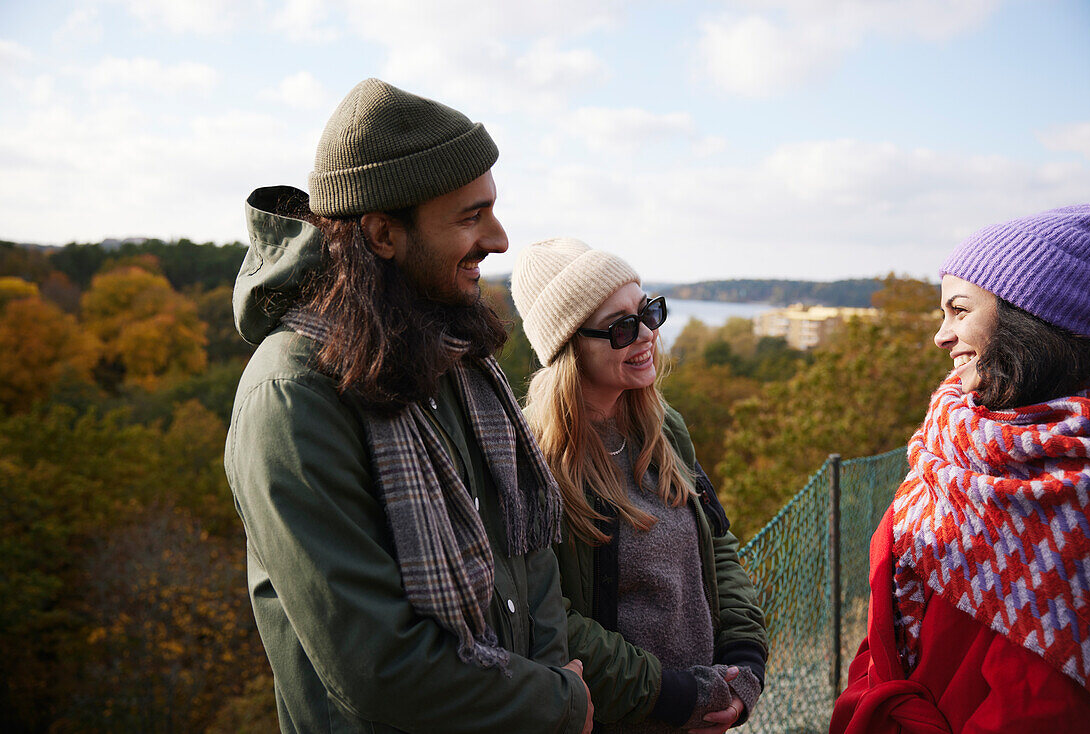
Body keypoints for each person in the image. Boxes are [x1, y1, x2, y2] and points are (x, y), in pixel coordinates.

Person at [224, 79, 593, 734]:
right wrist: (556, 704)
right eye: (470, 217)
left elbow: (528, 556)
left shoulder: (453, 353)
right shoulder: (292, 397)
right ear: (383, 234)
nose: (501, 239)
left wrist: (551, 686)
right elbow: (378, 667)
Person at [830, 203, 1090, 733]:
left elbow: (1043, 712)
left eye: (960, 310)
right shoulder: (951, 436)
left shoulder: (1080, 493)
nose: (941, 336)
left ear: (1032, 319)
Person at [510, 238, 769, 733]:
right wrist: (671, 696)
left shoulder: (664, 428)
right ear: (568, 346)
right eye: (621, 327)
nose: (646, 334)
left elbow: (716, 545)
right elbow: (548, 618)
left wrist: (744, 659)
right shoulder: (535, 463)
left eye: (647, 311)